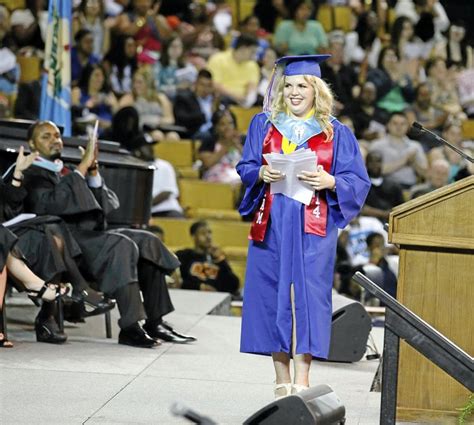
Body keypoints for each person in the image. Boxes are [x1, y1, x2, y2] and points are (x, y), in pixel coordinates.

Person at [237, 55, 370, 398]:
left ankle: (304, 378)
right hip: (273, 220)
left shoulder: (335, 132)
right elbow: (246, 166)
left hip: (315, 223)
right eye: (289, 85)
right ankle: (281, 379)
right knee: (272, 294)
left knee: (310, 297)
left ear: (317, 91)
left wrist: (330, 180)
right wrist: (260, 173)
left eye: (303, 86)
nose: (295, 92)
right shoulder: (264, 125)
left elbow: (357, 179)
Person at [22, 120, 195, 347]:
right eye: (46, 136)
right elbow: (48, 206)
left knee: (147, 240)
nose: (54, 139)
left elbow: (103, 209)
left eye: (56, 135)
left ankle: (155, 321)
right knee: (122, 245)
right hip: (63, 243)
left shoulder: (62, 169)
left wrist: (93, 173)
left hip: (89, 235)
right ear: (32, 143)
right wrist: (80, 170)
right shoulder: (31, 172)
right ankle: (131, 327)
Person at [175, 221, 240, 295]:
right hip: (189, 296)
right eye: (203, 233)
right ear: (193, 236)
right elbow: (177, 281)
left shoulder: (217, 259)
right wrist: (200, 287)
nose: (208, 237)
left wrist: (220, 260)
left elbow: (233, 286)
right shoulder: (184, 256)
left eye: (209, 233)